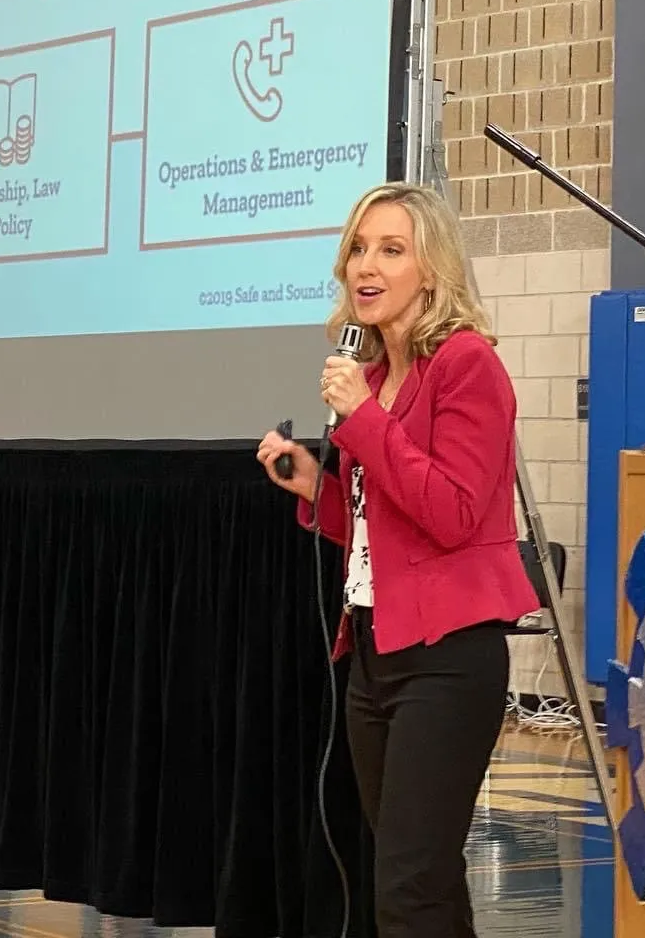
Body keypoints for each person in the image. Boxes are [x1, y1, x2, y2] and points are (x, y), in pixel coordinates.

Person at [256, 181, 540, 938]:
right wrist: (313, 483)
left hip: (448, 658)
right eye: (357, 248)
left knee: (408, 888)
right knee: (424, 879)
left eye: (390, 249)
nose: (365, 266)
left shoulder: (466, 365)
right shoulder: (376, 379)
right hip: (376, 654)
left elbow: (450, 513)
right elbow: (384, 533)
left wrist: (365, 421)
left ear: (434, 271)